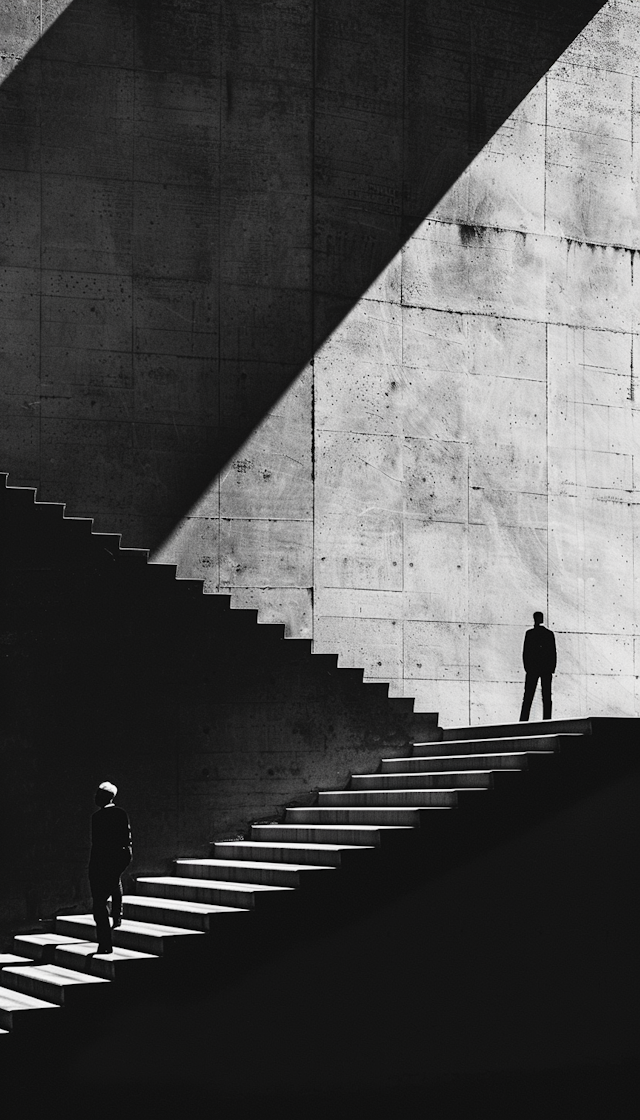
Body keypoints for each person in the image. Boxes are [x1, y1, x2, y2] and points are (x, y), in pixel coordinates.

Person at [89, 781, 132, 954]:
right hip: (117, 860)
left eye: (98, 795)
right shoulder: (121, 814)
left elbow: (97, 845)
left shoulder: (97, 818)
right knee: (114, 882)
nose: (95, 797)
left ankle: (105, 943)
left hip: (103, 863)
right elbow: (125, 839)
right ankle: (117, 914)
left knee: (99, 905)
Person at [519, 611, 556, 721]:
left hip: (533, 669)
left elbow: (526, 652)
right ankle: (547, 719)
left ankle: (523, 720)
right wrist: (551, 668)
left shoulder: (530, 633)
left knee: (528, 696)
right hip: (544, 669)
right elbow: (552, 653)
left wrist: (528, 668)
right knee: (546, 697)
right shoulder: (548, 634)